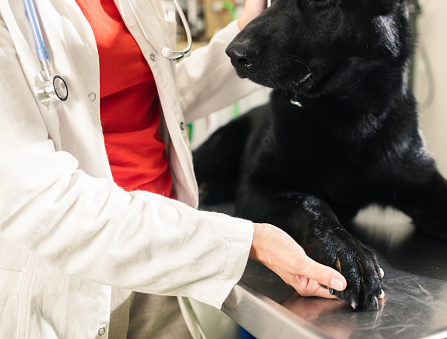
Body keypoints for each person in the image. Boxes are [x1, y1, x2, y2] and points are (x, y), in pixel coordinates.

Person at [0, 0, 349, 337]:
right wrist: (248, 242)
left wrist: (245, 31)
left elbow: (157, 92)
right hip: (68, 281)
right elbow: (38, 200)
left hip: (166, 262)